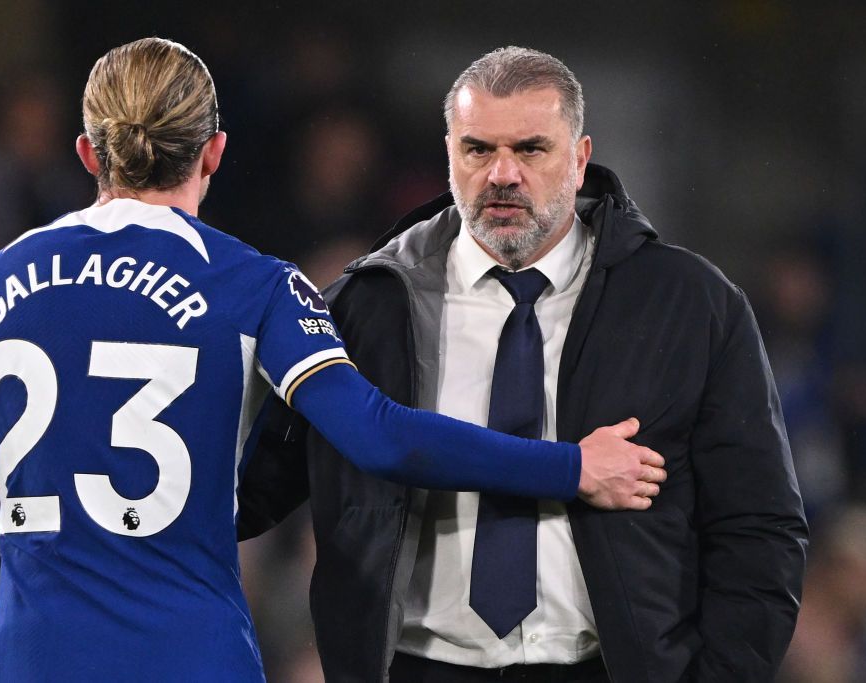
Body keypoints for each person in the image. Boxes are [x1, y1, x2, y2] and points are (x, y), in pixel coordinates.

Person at [0, 38, 666, 682]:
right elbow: (382, 436)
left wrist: (28, 495)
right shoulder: (253, 284)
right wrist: (570, 466)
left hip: (29, 660)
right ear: (214, 150)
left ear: (89, 153)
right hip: (190, 659)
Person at [234, 47, 809, 682]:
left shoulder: (690, 304)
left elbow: (760, 527)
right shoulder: (366, 304)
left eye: (531, 149)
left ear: (581, 157)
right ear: (448, 151)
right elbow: (254, 494)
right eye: (478, 149)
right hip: (417, 667)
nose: (502, 174)